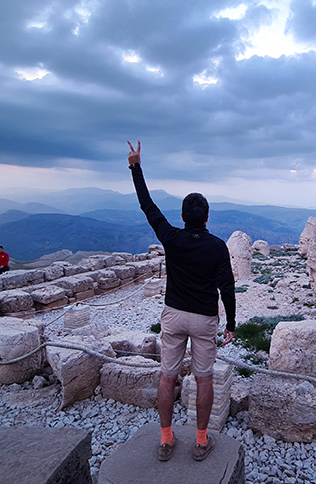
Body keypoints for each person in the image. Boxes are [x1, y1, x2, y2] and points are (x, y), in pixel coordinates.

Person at [126, 140, 236, 462]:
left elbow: (147, 206)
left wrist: (136, 167)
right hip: (204, 319)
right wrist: (231, 324)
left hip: (173, 314)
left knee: (167, 376)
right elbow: (227, 288)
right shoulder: (217, 247)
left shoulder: (171, 238)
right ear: (206, 217)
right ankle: (201, 441)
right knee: (204, 379)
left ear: (183, 217)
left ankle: (165, 439)